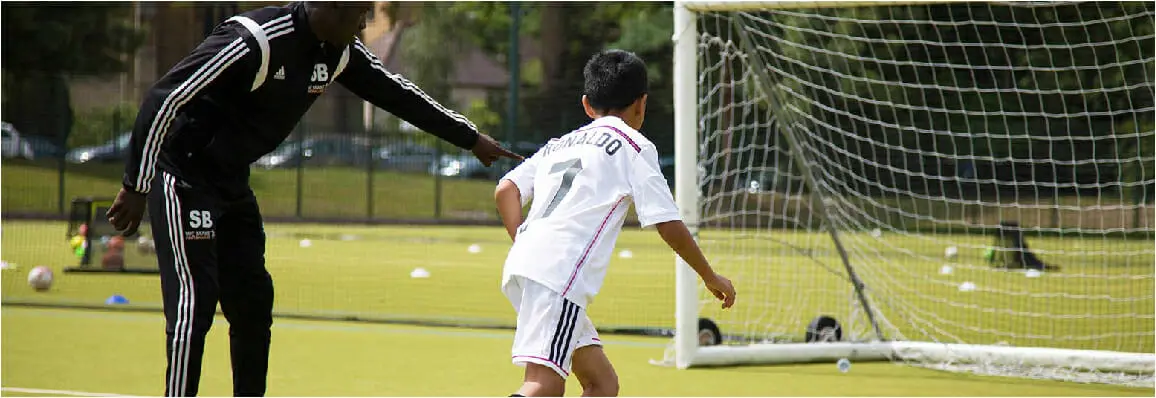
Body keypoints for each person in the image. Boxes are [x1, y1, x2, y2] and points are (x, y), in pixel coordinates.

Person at [105, 2, 520, 396]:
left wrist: (471, 139)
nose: (362, 26)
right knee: (194, 307)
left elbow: (398, 94)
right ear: (333, 5)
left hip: (231, 183)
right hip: (184, 177)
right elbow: (166, 97)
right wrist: (136, 185)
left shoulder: (337, 53)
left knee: (252, 306)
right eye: (359, 14)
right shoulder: (256, 40)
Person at [493, 49, 737, 397]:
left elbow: (506, 190)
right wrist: (709, 275)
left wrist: (527, 245)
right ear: (642, 104)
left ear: (587, 105)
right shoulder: (634, 146)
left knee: (602, 384)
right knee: (544, 384)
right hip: (559, 273)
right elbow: (667, 223)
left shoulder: (558, 145)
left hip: (526, 266)